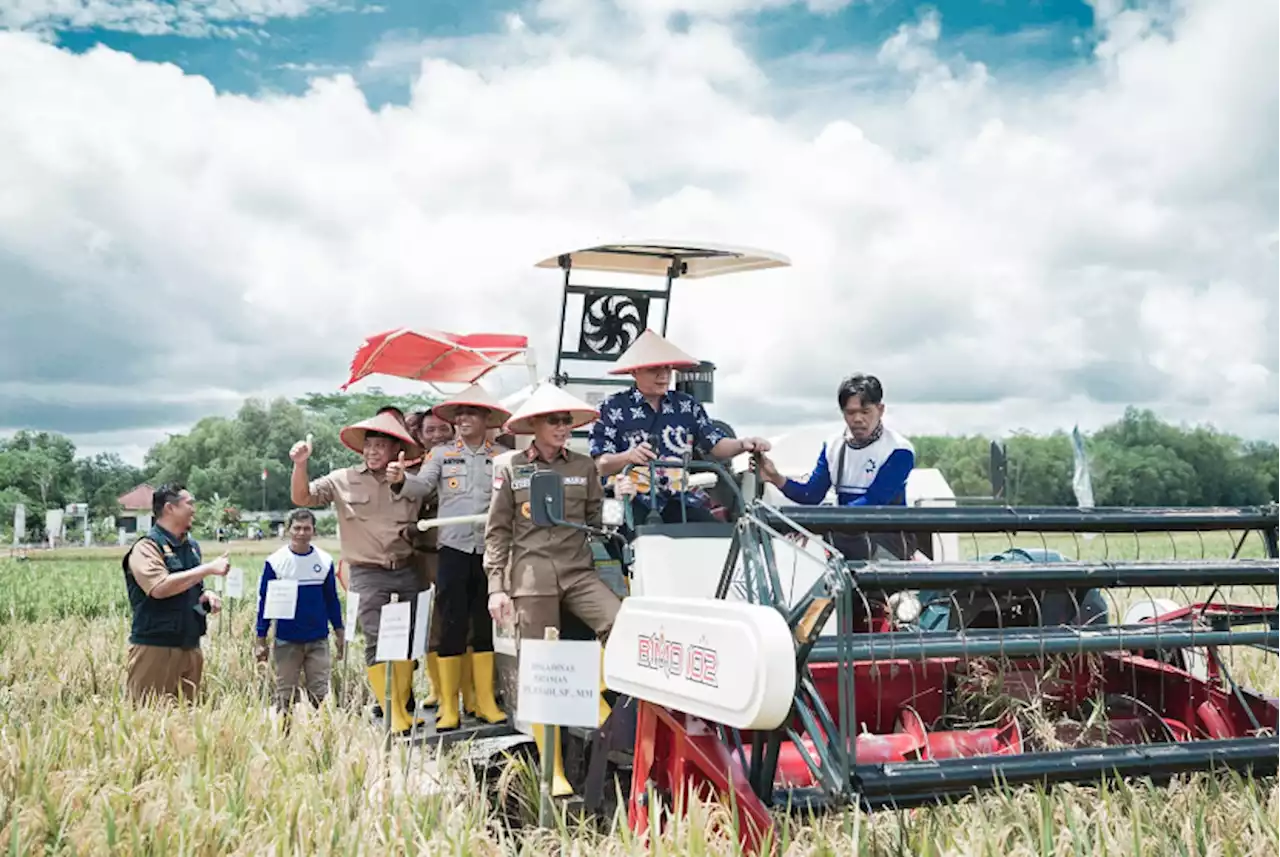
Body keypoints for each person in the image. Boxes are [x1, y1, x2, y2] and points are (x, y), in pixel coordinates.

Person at [485, 383, 620, 797]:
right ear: (534, 425)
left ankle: (599, 701)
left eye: (568, 420)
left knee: (621, 624)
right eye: (555, 420)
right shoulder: (510, 467)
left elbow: (598, 518)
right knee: (540, 669)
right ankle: (553, 768)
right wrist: (497, 588)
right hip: (531, 574)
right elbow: (497, 532)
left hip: (578, 571)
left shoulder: (585, 466)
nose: (563, 427)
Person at [289, 409, 426, 736]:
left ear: (396, 450)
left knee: (406, 641)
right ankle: (392, 711)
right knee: (377, 640)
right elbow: (302, 496)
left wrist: (403, 481)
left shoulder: (412, 479)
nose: (373, 451)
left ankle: (403, 706)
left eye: (381, 445)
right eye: (369, 445)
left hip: (407, 570)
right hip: (367, 572)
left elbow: (429, 496)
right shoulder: (342, 478)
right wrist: (300, 464)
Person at [390, 384, 511, 730]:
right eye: (458, 414)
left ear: (486, 418)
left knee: (484, 625)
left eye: (471, 412)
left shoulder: (501, 456)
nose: (463, 419)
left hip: (490, 551)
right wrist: (401, 480)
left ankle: (485, 700)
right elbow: (422, 486)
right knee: (451, 625)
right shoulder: (441, 455)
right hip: (454, 549)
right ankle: (449, 706)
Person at [589, 329, 771, 524]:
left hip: (680, 499)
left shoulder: (687, 405)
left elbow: (715, 445)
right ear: (635, 371)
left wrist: (744, 444)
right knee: (631, 538)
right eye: (654, 369)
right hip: (628, 497)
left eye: (668, 369)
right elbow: (600, 465)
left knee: (714, 534)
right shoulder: (611, 407)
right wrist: (628, 457)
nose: (663, 375)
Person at [756, 373, 917, 559]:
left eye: (865, 412)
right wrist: (776, 478)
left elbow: (874, 503)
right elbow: (811, 494)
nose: (857, 419)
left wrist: (819, 521)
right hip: (847, 538)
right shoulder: (833, 445)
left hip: (887, 543)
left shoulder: (899, 449)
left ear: (880, 410)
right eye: (850, 412)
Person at [121, 484, 228, 702]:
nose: (194, 509)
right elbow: (159, 587)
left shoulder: (192, 547)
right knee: (147, 722)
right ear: (170, 508)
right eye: (189, 503)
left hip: (190, 646)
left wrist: (206, 595)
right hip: (156, 649)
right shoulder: (147, 547)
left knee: (186, 723)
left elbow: (189, 587)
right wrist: (208, 569)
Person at [254, 509, 345, 712]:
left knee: (320, 694)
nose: (302, 533)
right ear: (288, 530)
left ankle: (320, 736)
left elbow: (332, 600)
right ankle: (284, 737)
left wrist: (340, 633)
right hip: (286, 640)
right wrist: (261, 639)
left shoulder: (324, 561)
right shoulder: (276, 562)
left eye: (307, 528)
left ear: (314, 531)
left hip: (318, 639)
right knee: (284, 694)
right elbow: (265, 603)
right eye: (297, 528)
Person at [401, 407, 456, 712]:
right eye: (429, 431)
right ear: (419, 437)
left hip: (461, 551)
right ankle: (436, 690)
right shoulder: (412, 471)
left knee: (462, 624)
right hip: (424, 555)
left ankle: (465, 693)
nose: (436, 435)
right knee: (430, 624)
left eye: (443, 429)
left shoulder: (465, 461)